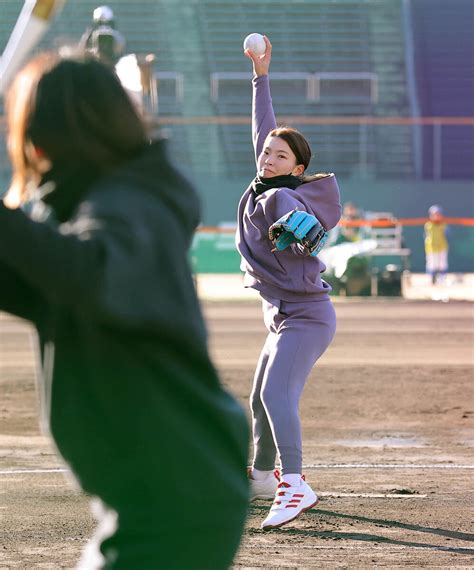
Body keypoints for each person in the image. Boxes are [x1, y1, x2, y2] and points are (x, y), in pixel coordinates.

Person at [0, 52, 249, 568]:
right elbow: (34, 281)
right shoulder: (104, 208)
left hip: (181, 493)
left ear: (45, 140)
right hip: (165, 493)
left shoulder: (136, 203)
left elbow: (84, 273)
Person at [236, 36, 342, 530]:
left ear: (297, 170)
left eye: (280, 157)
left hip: (306, 318)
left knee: (278, 395)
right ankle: (259, 476)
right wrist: (261, 75)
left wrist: (302, 236)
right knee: (260, 398)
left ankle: (294, 484)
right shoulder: (264, 184)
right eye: (268, 153)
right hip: (283, 318)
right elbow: (264, 128)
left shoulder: (283, 199)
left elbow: (312, 239)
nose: (269, 158)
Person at [424, 204, 449, 285]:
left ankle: (442, 279)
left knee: (442, 264)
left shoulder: (444, 225)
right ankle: (432, 279)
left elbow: (447, 235)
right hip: (431, 248)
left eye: (438, 214)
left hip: (442, 247)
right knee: (432, 264)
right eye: (434, 214)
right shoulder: (428, 225)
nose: (436, 216)